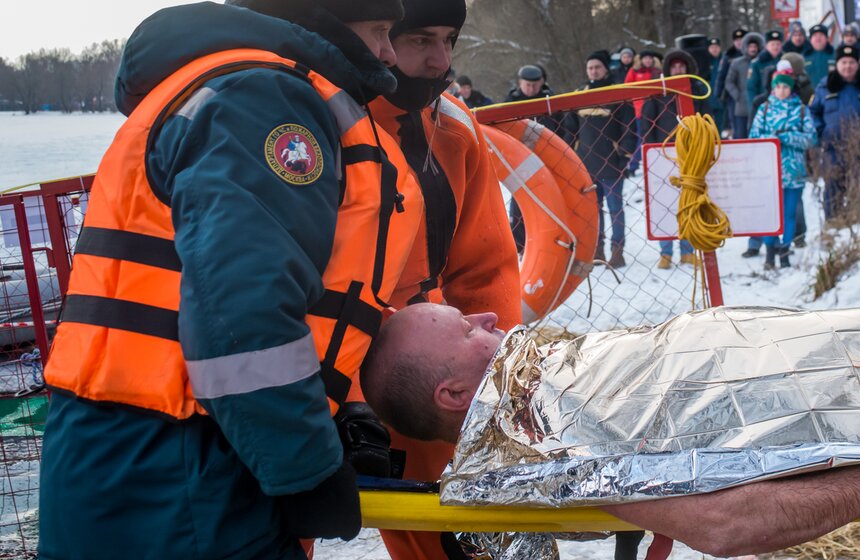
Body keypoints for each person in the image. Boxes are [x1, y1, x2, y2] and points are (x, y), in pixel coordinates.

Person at [37, 0, 426, 558]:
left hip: (148, 450)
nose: (390, 55)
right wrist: (306, 468)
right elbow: (242, 315)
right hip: (178, 466)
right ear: (320, 21)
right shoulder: (265, 99)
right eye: (380, 32)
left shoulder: (227, 85)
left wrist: (334, 411)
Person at [361, 302, 860, 559]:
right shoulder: (532, 449)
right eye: (467, 329)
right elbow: (724, 527)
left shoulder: (540, 383)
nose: (488, 316)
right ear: (452, 395)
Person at [365, 1, 522, 558]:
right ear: (378, 37)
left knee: (458, 532)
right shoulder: (321, 123)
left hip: (433, 361)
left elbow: (487, 267)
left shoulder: (455, 127)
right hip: (337, 365)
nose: (441, 59)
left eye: (450, 39)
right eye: (420, 40)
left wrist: (495, 380)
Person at [571, 50, 637, 268]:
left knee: (615, 208)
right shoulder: (578, 94)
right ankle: (597, 249)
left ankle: (618, 251)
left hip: (612, 162)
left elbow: (629, 129)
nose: (593, 71)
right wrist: (571, 156)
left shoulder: (617, 93)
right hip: (586, 164)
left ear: (606, 69)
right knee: (593, 211)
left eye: (597, 67)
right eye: (590, 67)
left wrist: (624, 156)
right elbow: (570, 131)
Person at [748, 63, 817, 269]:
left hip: (793, 171)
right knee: (771, 214)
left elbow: (811, 139)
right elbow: (753, 137)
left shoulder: (801, 110)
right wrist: (771, 139)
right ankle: (770, 251)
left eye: (785, 87)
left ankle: (785, 250)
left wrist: (787, 137)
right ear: (772, 88)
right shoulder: (764, 108)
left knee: (788, 213)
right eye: (778, 87)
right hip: (768, 171)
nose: (781, 91)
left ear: (791, 88)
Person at [642, 50, 701, 269]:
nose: (678, 69)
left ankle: (687, 250)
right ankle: (665, 252)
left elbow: (708, 117)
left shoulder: (696, 90)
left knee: (689, 203)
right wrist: (649, 151)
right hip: (663, 154)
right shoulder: (658, 92)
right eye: (674, 66)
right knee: (664, 203)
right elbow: (647, 121)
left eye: (681, 66)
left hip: (691, 155)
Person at [810, 44, 860, 220]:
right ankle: (833, 227)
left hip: (858, 151)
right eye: (844, 62)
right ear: (837, 64)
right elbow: (813, 112)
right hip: (833, 149)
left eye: (852, 62)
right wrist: (822, 132)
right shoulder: (825, 86)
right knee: (833, 189)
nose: (848, 66)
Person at [625, 49, 662, 174]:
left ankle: (656, 162)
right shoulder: (634, 71)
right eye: (645, 58)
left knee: (656, 136)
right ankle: (634, 164)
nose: (647, 60)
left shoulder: (657, 72)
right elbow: (627, 87)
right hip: (640, 110)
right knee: (642, 137)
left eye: (650, 58)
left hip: (658, 109)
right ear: (641, 60)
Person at [726, 31, 763, 141]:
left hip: (759, 107)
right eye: (750, 46)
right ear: (745, 47)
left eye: (755, 46)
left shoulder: (762, 63)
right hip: (741, 108)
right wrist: (738, 96)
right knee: (741, 138)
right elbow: (729, 82)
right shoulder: (737, 63)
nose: (753, 49)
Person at [715, 28, 748, 138]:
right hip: (733, 96)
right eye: (736, 40)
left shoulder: (752, 53)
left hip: (748, 93)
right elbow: (721, 75)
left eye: (741, 39)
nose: (739, 42)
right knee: (736, 125)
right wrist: (718, 94)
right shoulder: (729, 55)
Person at [747, 30, 785, 113]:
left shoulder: (785, 61)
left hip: (783, 104)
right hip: (764, 104)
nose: (775, 47)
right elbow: (751, 87)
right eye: (772, 44)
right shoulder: (757, 63)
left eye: (778, 44)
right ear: (767, 46)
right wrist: (753, 107)